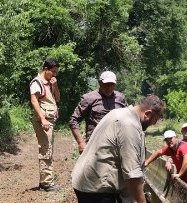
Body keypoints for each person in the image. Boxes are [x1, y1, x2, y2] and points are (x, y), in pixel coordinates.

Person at [69, 71, 128, 153]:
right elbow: (73, 120)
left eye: (112, 85)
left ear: (115, 84)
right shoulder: (89, 98)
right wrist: (81, 143)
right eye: (106, 84)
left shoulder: (120, 98)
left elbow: (128, 119)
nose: (109, 88)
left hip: (116, 145)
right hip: (95, 145)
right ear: (100, 83)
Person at [29, 58, 62, 191]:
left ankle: (45, 181)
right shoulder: (36, 82)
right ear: (46, 69)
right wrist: (42, 119)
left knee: (48, 149)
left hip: (50, 121)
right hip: (44, 121)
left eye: (56, 72)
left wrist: (55, 86)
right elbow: (34, 101)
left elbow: (58, 98)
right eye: (53, 72)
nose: (55, 75)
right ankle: (46, 184)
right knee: (46, 149)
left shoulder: (50, 82)